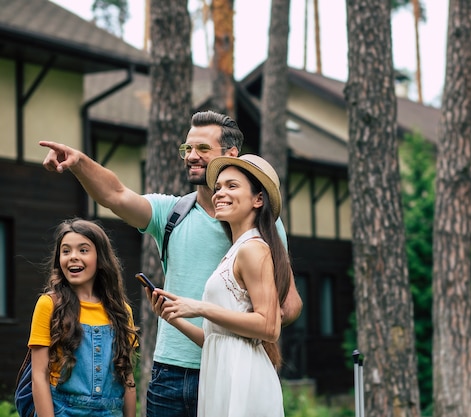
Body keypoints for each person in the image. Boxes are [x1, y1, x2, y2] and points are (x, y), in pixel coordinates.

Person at [39, 110, 302, 417]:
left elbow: (288, 304)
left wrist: (250, 331)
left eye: (203, 149)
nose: (191, 156)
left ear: (231, 155)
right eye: (187, 149)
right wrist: (80, 163)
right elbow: (116, 194)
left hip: (228, 371)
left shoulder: (261, 230)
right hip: (170, 373)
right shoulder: (172, 213)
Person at [156, 154, 289, 417]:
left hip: (242, 377)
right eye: (217, 187)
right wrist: (174, 316)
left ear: (258, 199)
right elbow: (216, 337)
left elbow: (269, 327)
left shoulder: (254, 249)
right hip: (220, 372)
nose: (219, 193)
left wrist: (202, 308)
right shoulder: (234, 251)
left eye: (232, 186)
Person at [28, 218, 139, 417]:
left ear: (100, 258)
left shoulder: (122, 311)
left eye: (83, 250)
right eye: (66, 251)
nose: (73, 257)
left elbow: (127, 379)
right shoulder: (49, 305)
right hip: (63, 410)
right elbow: (39, 376)